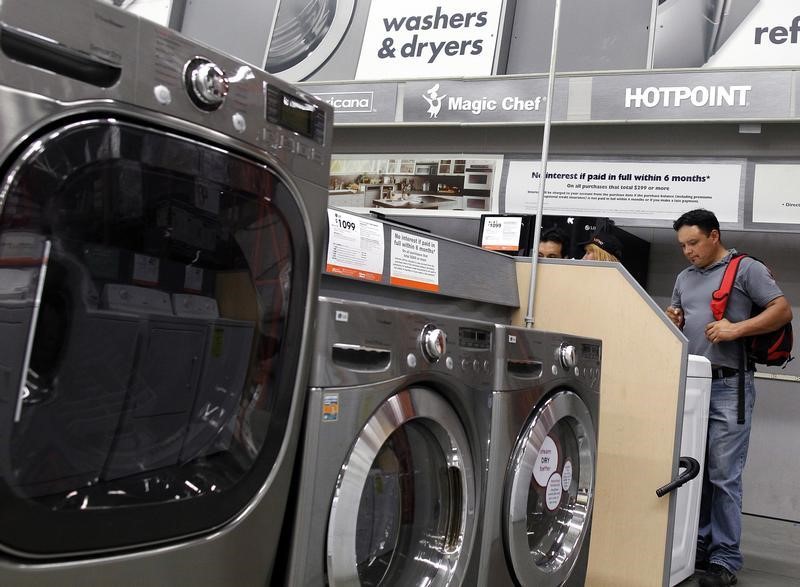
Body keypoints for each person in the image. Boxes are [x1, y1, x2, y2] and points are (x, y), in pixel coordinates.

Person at [666, 209, 792, 587]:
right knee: (693, 470)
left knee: (723, 476)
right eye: (682, 245)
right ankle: (699, 544)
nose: (688, 251)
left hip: (729, 386)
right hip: (692, 384)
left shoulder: (746, 269)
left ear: (714, 236)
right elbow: (678, 315)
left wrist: (736, 328)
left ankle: (725, 558)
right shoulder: (684, 278)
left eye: (693, 243)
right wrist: (673, 318)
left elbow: (782, 310)